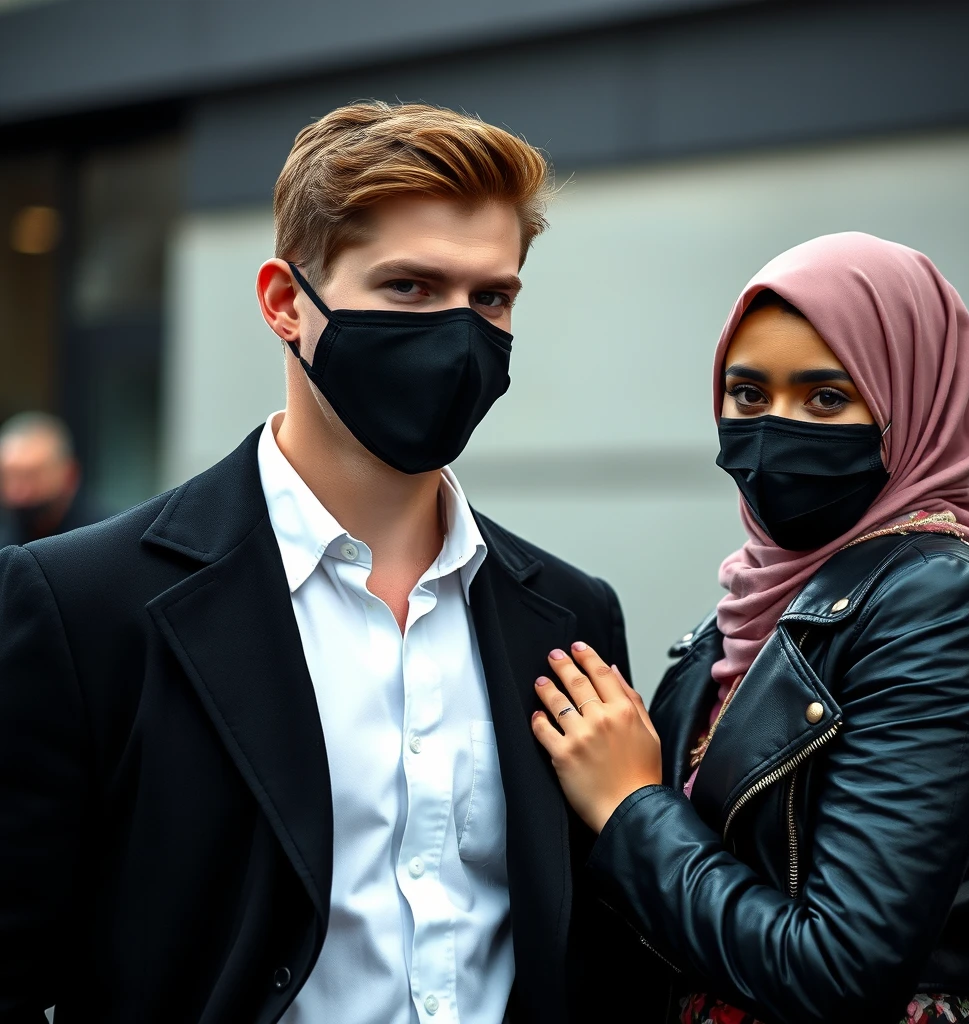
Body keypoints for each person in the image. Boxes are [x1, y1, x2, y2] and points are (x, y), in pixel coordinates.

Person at [0, 102, 674, 1023]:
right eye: (408, 287)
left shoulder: (568, 613)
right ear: (285, 303)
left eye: (492, 297)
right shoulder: (84, 602)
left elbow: (589, 950)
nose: (460, 333)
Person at [529, 232, 969, 1023]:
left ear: (910, 401)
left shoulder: (936, 603)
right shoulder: (743, 615)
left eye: (827, 398)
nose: (775, 429)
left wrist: (628, 808)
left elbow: (837, 971)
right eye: (749, 395)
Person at [0, 412, 106, 546]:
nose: (18, 493)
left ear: (69, 474)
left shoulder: (104, 540)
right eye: (9, 477)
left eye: (32, 476)